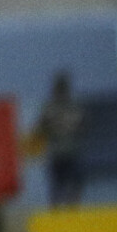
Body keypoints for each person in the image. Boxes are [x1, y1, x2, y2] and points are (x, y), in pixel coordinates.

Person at [34, 71, 84, 206]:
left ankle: (69, 209)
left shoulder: (70, 108)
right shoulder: (55, 109)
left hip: (68, 152)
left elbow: (83, 126)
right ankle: (58, 211)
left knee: (70, 186)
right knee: (59, 187)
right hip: (59, 153)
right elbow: (40, 128)